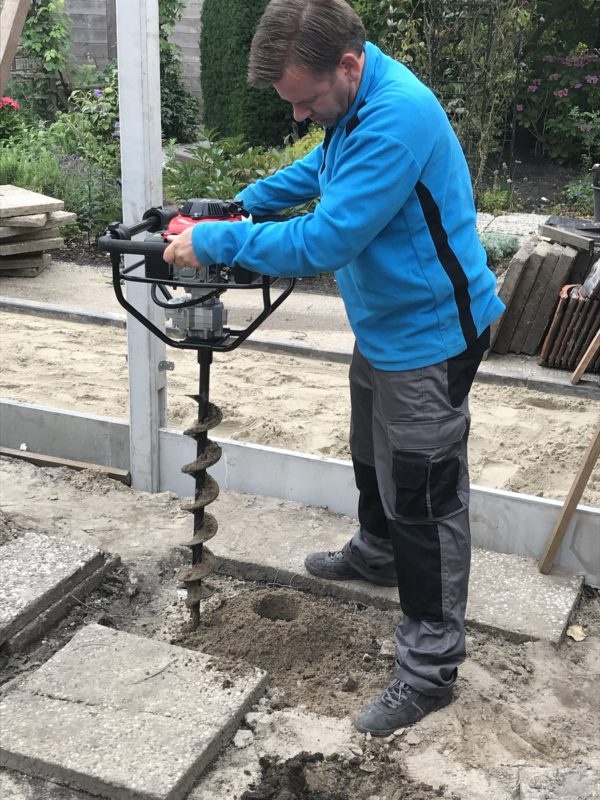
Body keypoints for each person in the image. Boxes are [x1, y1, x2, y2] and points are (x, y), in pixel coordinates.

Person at [164, 0, 505, 735]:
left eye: (306, 99)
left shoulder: (397, 117)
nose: (299, 115)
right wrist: (237, 206)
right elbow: (319, 169)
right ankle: (377, 554)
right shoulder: (354, 101)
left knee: (425, 497)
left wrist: (218, 241)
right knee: (369, 453)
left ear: (348, 65)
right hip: (384, 324)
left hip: (432, 335)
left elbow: (326, 240)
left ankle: (430, 668)